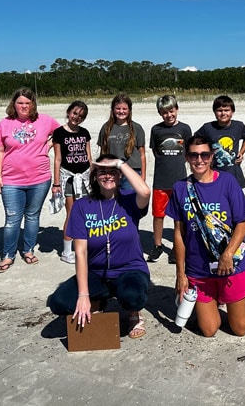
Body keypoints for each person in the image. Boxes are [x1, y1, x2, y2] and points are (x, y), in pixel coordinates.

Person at [167, 135, 245, 337]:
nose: (199, 160)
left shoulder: (228, 182)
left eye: (204, 155)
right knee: (209, 329)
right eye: (193, 155)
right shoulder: (180, 188)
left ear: (211, 157)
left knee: (240, 328)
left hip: (231, 265)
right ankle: (219, 299)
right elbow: (179, 233)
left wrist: (227, 254)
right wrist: (181, 274)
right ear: (186, 157)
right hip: (199, 270)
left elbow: (242, 223)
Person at [47, 154, 151, 338]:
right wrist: (83, 295)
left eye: (113, 172)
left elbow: (145, 192)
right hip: (96, 272)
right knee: (59, 303)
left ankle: (134, 313)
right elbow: (80, 252)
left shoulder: (129, 200)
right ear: (95, 176)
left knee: (132, 298)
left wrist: (120, 163)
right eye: (102, 171)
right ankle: (98, 299)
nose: (108, 176)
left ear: (120, 175)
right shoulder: (82, 206)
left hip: (130, 270)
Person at [0, 88, 60, 273]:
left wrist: (50, 144)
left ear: (33, 104)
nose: (24, 106)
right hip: (11, 179)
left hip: (40, 178)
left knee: (32, 216)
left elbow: (62, 132)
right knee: (12, 218)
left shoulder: (45, 120)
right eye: (20, 103)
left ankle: (28, 250)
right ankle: (8, 255)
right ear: (14, 104)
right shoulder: (5, 123)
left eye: (28, 103)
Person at [147, 94, 191, 263]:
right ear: (160, 113)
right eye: (165, 112)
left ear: (176, 109)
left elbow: (188, 152)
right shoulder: (156, 130)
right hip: (160, 180)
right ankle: (157, 245)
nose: (169, 115)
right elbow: (155, 151)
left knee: (179, 216)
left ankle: (177, 247)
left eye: (171, 111)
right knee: (158, 215)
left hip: (180, 180)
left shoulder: (185, 129)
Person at [52, 100, 93, 264]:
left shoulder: (84, 133)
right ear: (69, 112)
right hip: (68, 177)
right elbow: (57, 159)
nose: (77, 117)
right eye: (75, 113)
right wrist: (56, 183)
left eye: (81, 116)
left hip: (84, 177)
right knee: (72, 212)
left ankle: (85, 246)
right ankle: (67, 251)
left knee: (86, 212)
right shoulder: (59, 133)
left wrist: (93, 176)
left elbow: (89, 156)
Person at [194, 95, 245, 189]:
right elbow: (196, 141)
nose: (223, 113)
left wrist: (241, 152)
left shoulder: (238, 126)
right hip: (213, 172)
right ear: (214, 112)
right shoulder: (208, 128)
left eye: (226, 110)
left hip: (234, 173)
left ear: (232, 112)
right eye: (219, 110)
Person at [98, 94, 146, 192]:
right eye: (118, 108)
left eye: (124, 109)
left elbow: (142, 154)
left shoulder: (137, 128)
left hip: (132, 171)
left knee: (129, 198)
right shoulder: (106, 128)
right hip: (112, 172)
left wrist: (143, 176)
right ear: (113, 109)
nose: (121, 111)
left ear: (129, 110)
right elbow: (103, 152)